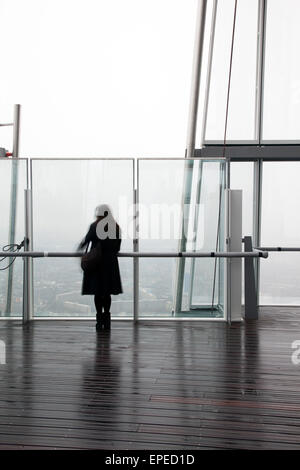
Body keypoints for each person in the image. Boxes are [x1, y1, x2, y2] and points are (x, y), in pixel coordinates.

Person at [78, 204, 123, 330]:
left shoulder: (95, 226)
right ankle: (107, 320)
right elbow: (117, 248)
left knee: (98, 293)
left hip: (96, 264)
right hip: (110, 264)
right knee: (107, 293)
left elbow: (85, 242)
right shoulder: (116, 227)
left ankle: (99, 321)